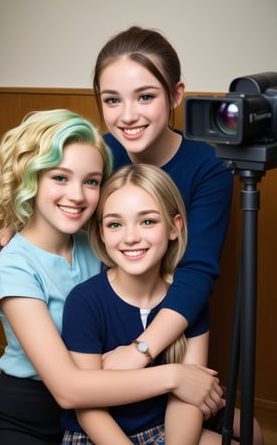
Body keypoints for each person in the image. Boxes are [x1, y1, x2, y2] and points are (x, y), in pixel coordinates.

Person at [0, 26, 234, 370]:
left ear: (176, 95)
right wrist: (16, 229)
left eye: (145, 97)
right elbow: (62, 203)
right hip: (107, 326)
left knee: (241, 426)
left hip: (174, 324)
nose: (128, 116)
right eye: (113, 99)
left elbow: (197, 271)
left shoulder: (208, 166)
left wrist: (140, 350)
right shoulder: (101, 152)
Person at [0, 109, 225, 445]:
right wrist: (173, 376)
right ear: (30, 178)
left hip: (116, 401)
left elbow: (143, 219)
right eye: (60, 178)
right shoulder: (12, 265)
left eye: (91, 181)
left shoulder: (98, 244)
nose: (78, 195)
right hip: (28, 413)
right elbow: (68, 390)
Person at [60, 163, 240, 445]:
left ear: (174, 227)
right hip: (97, 436)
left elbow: (188, 396)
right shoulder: (84, 301)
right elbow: (89, 409)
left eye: (147, 221)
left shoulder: (186, 302)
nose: (131, 237)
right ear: (102, 232)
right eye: (115, 224)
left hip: (161, 427)